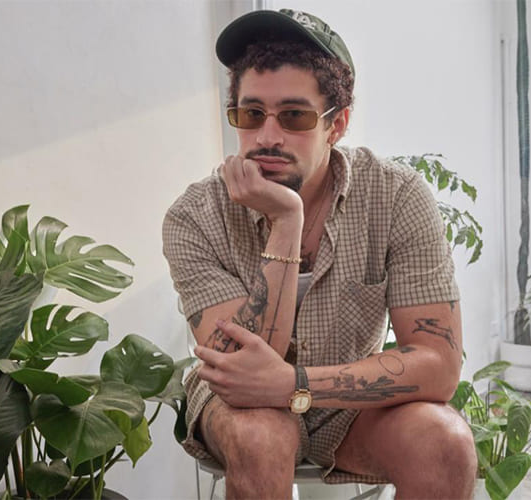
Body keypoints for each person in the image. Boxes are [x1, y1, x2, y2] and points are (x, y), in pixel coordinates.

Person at [162, 8, 476, 499]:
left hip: (346, 404)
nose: (267, 137)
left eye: (294, 116)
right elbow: (238, 373)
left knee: (446, 444)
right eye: (251, 114)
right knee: (261, 434)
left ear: (337, 124)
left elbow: (439, 364)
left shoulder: (395, 195)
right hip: (235, 405)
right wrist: (287, 221)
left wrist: (294, 383)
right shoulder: (194, 216)